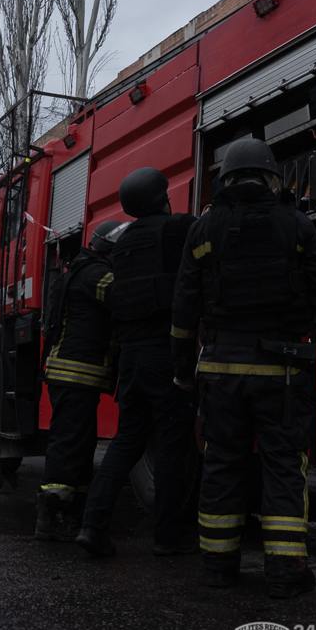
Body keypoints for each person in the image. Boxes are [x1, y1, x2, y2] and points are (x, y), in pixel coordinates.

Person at [171, 136, 316, 597]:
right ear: (272, 177)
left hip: (220, 372)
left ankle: (217, 565)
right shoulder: (297, 226)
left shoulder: (202, 231)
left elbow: (183, 313)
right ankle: (286, 571)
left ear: (226, 179)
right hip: (283, 372)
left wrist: (181, 373)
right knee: (284, 465)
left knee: (222, 464)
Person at [76, 167, 198, 558]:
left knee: (127, 441)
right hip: (165, 354)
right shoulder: (174, 230)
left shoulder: (122, 244)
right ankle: (168, 537)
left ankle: (92, 526)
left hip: (130, 358)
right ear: (161, 198)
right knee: (172, 445)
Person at [36, 220, 123, 541]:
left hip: (69, 372)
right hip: (76, 371)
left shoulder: (77, 271)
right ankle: (51, 516)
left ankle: (69, 511)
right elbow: (123, 299)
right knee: (69, 443)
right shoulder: (97, 274)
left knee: (78, 442)